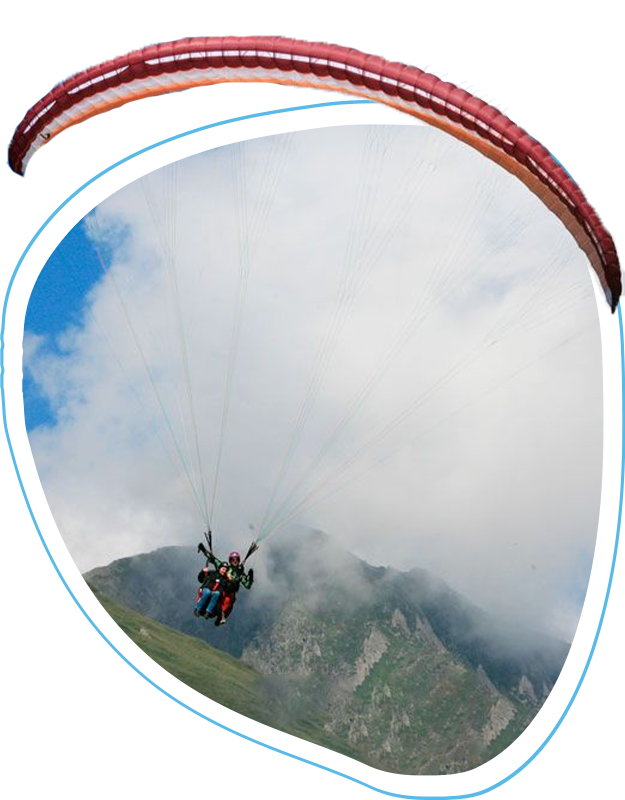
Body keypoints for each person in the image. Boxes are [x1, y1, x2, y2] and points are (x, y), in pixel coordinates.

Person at [197, 541, 254, 625]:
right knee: (213, 592)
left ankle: (221, 616)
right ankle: (203, 607)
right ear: (230, 560)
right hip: (221, 588)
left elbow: (248, 585)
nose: (235, 561)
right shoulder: (225, 567)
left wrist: (250, 576)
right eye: (233, 559)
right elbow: (213, 559)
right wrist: (203, 550)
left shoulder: (241, 574)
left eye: (237, 559)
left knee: (228, 600)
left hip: (230, 592)